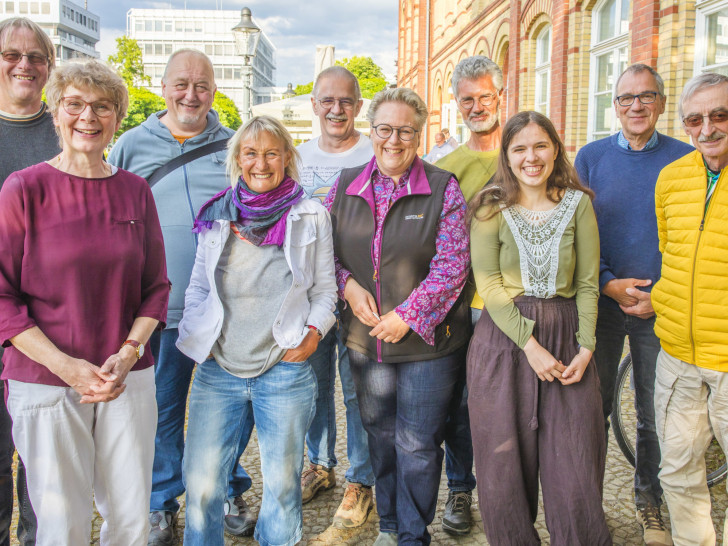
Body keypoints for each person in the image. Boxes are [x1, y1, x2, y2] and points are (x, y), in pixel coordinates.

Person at [0, 59, 169, 545]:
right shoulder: (25, 189)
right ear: (55, 113)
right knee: (62, 524)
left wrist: (129, 352)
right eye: (74, 105)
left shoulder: (134, 191)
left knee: (131, 518)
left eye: (101, 107)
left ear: (118, 117)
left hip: (125, 378)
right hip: (46, 381)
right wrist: (66, 367)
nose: (87, 117)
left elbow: (156, 286)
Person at [108, 49, 256, 544]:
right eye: (181, 84)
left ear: (215, 91)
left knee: (232, 405)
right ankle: (160, 502)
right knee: (162, 409)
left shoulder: (235, 146)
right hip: (160, 311)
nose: (191, 94)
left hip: (226, 310)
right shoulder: (129, 146)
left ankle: (231, 485)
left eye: (201, 85)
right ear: (164, 85)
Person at [177, 115, 337, 546]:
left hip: (283, 371)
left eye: (271, 153)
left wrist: (313, 335)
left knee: (284, 489)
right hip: (219, 372)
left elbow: (326, 291)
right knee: (203, 484)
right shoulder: (217, 214)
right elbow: (197, 285)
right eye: (251, 153)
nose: (261, 163)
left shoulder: (311, 214)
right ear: (238, 159)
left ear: (287, 157)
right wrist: (200, 336)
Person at [325, 87, 471, 545]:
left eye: (405, 130)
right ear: (371, 131)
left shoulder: (443, 187)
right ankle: (388, 525)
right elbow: (321, 255)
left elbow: (452, 265)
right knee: (380, 439)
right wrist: (345, 284)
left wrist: (408, 315)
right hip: (366, 342)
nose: (394, 140)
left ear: (419, 133)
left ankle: (412, 534)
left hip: (429, 345)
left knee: (419, 444)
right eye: (385, 129)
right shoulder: (344, 186)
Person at [468, 111, 611, 545]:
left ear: (555, 149)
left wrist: (586, 348)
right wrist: (529, 345)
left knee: (575, 461)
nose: (532, 157)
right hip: (504, 339)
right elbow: (488, 283)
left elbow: (587, 283)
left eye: (540, 146)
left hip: (568, 336)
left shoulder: (578, 203)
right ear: (507, 156)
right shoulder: (490, 205)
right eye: (520, 148)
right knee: (503, 465)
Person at [575, 63, 692, 546]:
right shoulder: (590, 158)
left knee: (653, 411)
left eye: (646, 96)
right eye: (626, 98)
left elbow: (691, 239)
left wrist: (657, 294)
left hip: (659, 309)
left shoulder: (687, 158)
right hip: (601, 306)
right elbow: (575, 234)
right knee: (591, 409)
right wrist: (606, 284)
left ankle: (649, 502)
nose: (636, 106)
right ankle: (584, 504)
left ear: (661, 104)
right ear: (614, 105)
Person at [296, 66, 376, 530]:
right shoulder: (298, 157)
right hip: (308, 294)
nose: (336, 109)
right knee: (312, 385)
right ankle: (319, 463)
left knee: (358, 389)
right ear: (314, 104)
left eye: (346, 101)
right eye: (327, 100)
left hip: (361, 292)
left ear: (358, 106)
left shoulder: (373, 152)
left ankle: (360, 479)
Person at [651, 72, 728, 545]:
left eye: (720, 115)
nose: (708, 128)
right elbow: (671, 252)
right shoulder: (671, 176)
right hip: (678, 353)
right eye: (695, 119)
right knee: (677, 472)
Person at [433, 54, 506, 535]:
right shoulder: (446, 167)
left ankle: (508, 495)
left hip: (517, 303)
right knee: (459, 403)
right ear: (457, 106)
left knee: (510, 405)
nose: (477, 106)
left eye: (485, 97)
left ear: (501, 94)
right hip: (464, 304)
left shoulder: (526, 151)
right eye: (467, 100)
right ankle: (460, 489)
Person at [0, 17, 60, 546]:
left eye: (35, 56)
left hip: (46, 322)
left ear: (49, 65)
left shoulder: (66, 130)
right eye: (11, 54)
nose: (24, 65)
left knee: (43, 455)